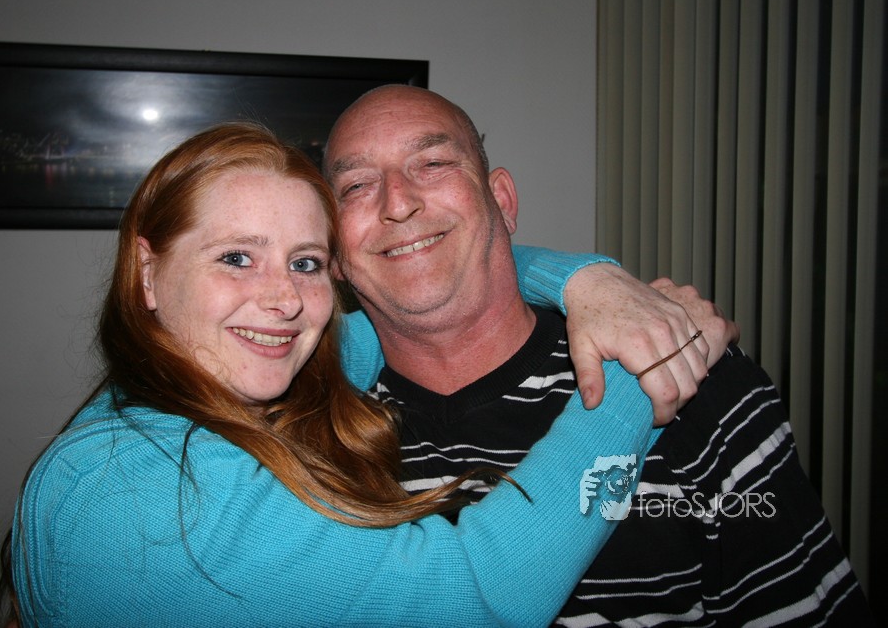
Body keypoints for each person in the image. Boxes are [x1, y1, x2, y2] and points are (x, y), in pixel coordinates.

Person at [7, 122, 698, 627]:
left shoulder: (212, 381)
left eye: (305, 262)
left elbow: (431, 283)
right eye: (237, 258)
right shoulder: (145, 497)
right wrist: (640, 364)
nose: (283, 300)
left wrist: (589, 281)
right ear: (148, 272)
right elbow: (481, 598)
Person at [323, 85, 874, 624]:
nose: (398, 203)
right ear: (335, 257)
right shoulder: (308, 446)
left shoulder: (692, 370)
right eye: (356, 186)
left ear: (503, 202)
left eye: (434, 163)